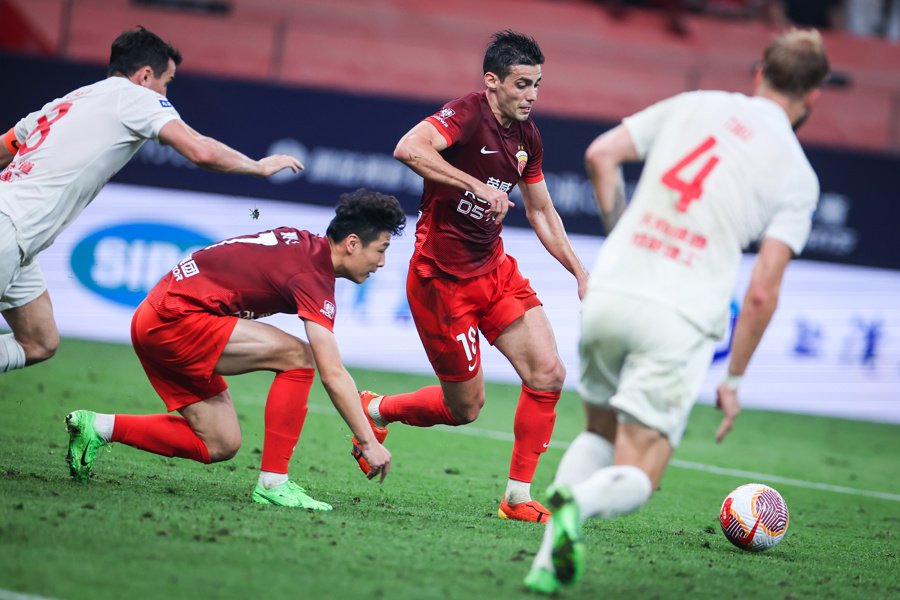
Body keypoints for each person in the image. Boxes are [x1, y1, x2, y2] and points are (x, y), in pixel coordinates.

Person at [524, 28, 830, 592]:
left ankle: (546, 563)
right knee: (640, 470)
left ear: (759, 73)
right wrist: (733, 379)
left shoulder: (697, 103)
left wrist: (620, 238)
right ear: (813, 97)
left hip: (611, 290)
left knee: (598, 433)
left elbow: (600, 155)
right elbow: (762, 292)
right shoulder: (798, 175)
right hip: (679, 313)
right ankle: (580, 505)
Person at [348, 30, 589, 523]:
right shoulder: (466, 113)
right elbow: (408, 148)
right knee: (465, 409)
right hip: (441, 281)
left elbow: (541, 211)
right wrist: (476, 185)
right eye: (522, 84)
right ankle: (375, 408)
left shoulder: (528, 137)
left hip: (494, 270)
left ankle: (516, 499)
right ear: (492, 81)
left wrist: (581, 273)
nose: (531, 96)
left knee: (549, 373)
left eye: (537, 85)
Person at [64, 189, 406, 509]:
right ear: (352, 243)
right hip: (175, 320)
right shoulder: (311, 274)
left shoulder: (301, 243)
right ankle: (273, 483)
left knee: (220, 442)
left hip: (156, 316)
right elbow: (332, 373)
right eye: (381, 249)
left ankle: (99, 427)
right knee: (299, 356)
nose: (382, 262)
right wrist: (367, 441)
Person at [0, 26, 302, 376]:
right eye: (166, 82)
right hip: (11, 228)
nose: (166, 93)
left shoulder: (69, 101)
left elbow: (5, 147)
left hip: (20, 239)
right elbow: (201, 150)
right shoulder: (136, 97)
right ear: (145, 76)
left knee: (38, 341)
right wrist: (258, 167)